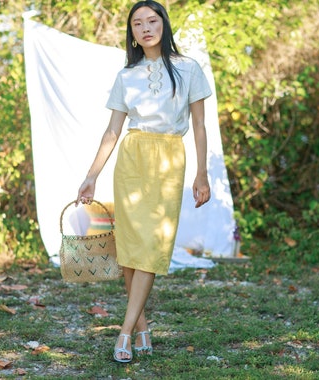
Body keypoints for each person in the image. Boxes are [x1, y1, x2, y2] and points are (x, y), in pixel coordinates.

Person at [76, 0, 212, 363]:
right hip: (132, 158)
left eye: (152, 21)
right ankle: (141, 326)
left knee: (153, 245)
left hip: (169, 157)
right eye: (138, 23)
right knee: (131, 249)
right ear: (132, 33)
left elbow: (199, 125)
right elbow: (112, 130)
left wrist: (202, 172)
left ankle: (124, 331)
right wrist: (91, 176)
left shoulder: (188, 69)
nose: (146, 28)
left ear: (164, 25)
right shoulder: (127, 75)